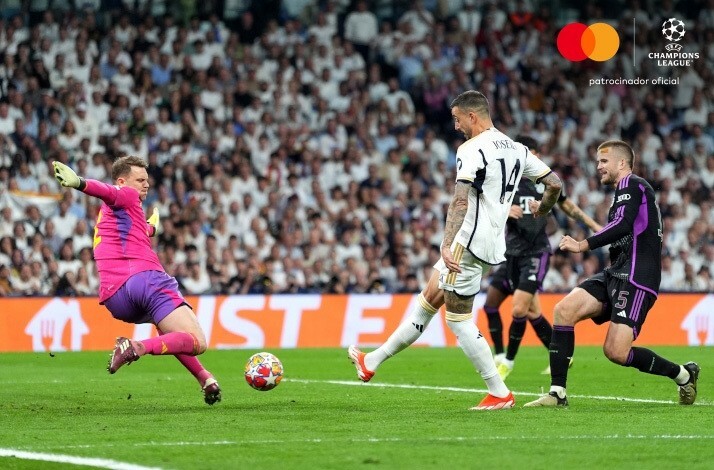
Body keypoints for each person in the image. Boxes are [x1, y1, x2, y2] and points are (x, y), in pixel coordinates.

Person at [348, 90, 563, 410]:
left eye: (457, 118)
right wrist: (543, 210)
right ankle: (372, 361)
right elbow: (555, 183)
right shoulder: (518, 149)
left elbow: (460, 199)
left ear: (472, 116)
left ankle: (499, 392)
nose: (455, 125)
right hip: (492, 241)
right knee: (428, 300)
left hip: (467, 242)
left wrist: (447, 243)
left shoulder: (472, 149)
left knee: (458, 319)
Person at [524, 140, 699, 407]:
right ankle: (557, 393)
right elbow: (623, 229)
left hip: (636, 277)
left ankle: (683, 374)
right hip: (615, 273)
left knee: (616, 352)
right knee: (564, 309)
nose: (598, 167)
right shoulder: (621, 194)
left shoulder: (633, 184)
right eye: (597, 162)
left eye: (603, 161)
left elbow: (622, 225)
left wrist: (583, 244)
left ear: (622, 163)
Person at [52, 157, 221, 405]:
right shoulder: (125, 196)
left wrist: (151, 228)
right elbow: (108, 191)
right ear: (123, 181)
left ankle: (204, 378)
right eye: (140, 180)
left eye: (147, 181)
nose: (146, 185)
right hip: (144, 279)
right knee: (198, 341)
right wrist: (79, 182)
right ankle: (136, 347)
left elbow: (135, 230)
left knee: (169, 330)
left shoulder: (111, 216)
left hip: (117, 299)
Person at [485, 135, 602, 380]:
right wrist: (505, 210)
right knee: (528, 311)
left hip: (536, 253)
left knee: (518, 309)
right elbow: (485, 207)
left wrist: (594, 225)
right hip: (511, 255)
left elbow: (568, 206)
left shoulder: (546, 182)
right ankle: (560, 355)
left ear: (535, 154)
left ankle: (506, 361)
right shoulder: (507, 182)